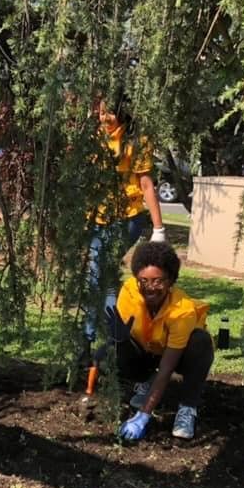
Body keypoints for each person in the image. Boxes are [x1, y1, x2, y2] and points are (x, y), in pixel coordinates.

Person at [103, 241, 213, 441]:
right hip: (146, 350)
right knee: (109, 350)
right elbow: (123, 340)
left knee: (201, 341)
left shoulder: (182, 310)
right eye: (143, 280)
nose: (150, 288)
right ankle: (145, 381)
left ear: (170, 280)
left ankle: (187, 407)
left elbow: (166, 369)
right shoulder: (129, 292)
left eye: (158, 281)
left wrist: (144, 415)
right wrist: (119, 341)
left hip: (177, 356)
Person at [84, 98, 167, 345]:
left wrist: (159, 228)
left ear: (122, 113)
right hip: (98, 217)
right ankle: (114, 341)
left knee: (97, 272)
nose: (103, 118)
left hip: (126, 218)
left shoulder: (137, 142)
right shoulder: (94, 139)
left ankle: (89, 339)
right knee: (105, 276)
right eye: (100, 113)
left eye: (108, 113)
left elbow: (146, 184)